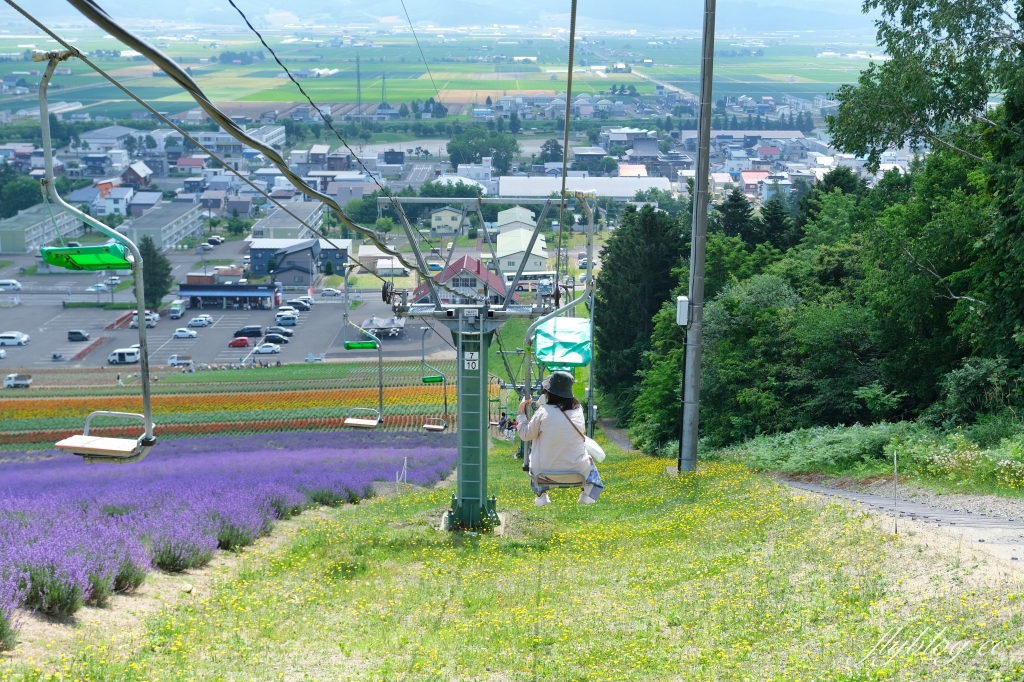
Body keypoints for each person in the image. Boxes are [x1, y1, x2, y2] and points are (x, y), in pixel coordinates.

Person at [517, 371, 603, 507]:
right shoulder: (578, 410)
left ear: (548, 392)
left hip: (545, 473)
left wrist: (521, 411)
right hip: (578, 471)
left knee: (535, 453)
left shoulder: (543, 412)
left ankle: (541, 494)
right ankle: (586, 493)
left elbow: (525, 434)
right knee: (589, 460)